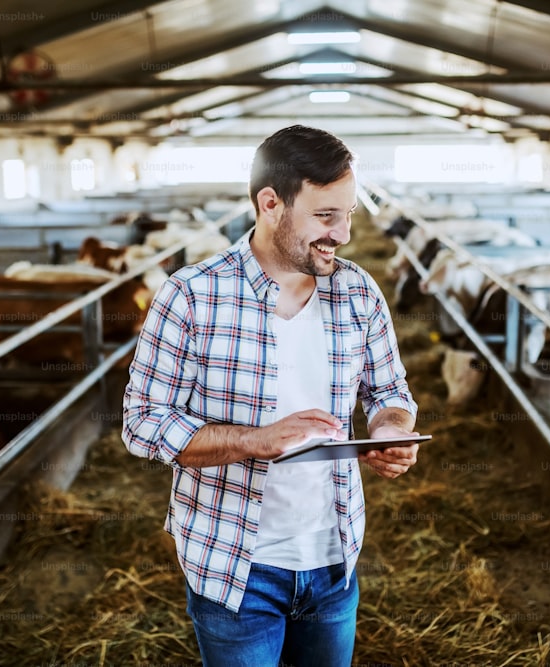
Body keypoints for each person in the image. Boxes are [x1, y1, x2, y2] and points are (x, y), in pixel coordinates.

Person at [122, 124, 419, 667]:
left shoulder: (358, 291)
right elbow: (142, 422)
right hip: (233, 565)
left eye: (348, 214)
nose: (344, 234)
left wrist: (390, 428)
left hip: (334, 557)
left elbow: (388, 388)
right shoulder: (191, 295)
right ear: (270, 203)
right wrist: (255, 441)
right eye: (326, 216)